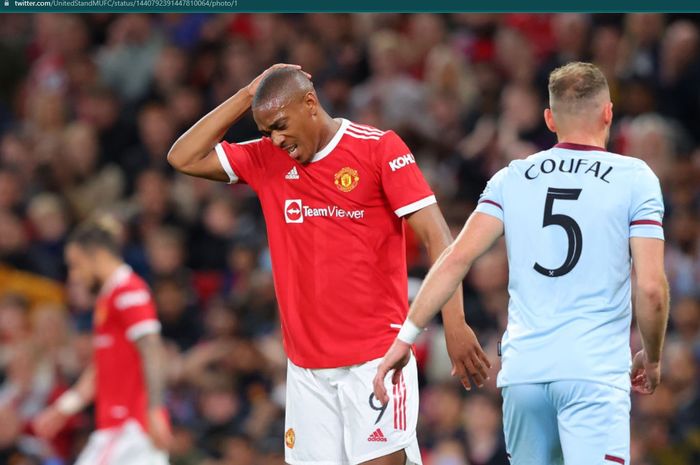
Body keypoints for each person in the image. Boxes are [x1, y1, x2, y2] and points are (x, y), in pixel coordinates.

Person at [167, 63, 489, 465]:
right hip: (306, 369)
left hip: (377, 357)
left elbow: (438, 236)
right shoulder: (267, 159)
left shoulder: (378, 149)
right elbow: (182, 156)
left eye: (281, 125)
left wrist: (454, 323)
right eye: (267, 131)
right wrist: (248, 94)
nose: (276, 139)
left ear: (310, 102)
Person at [374, 61, 669, 465]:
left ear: (549, 118)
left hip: (524, 374)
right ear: (608, 113)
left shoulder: (513, 177)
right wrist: (651, 358)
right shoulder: (635, 178)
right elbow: (651, 289)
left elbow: (455, 258)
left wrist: (405, 337)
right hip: (593, 373)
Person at [33, 217, 172, 465]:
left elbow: (152, 350)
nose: (74, 275)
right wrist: (65, 407)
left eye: (76, 265)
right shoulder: (107, 299)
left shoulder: (130, 291)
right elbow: (102, 366)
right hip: (121, 432)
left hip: (129, 431)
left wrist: (155, 409)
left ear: (96, 255)